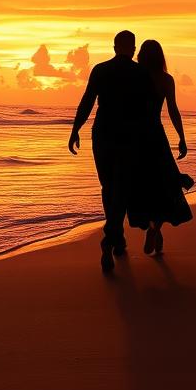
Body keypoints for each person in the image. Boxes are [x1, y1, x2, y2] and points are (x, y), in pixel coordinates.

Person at [69, 30, 154, 272]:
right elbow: (148, 110)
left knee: (108, 187)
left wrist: (75, 130)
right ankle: (111, 237)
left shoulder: (100, 69)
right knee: (123, 188)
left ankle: (115, 238)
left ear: (115, 47)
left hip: (103, 134)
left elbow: (87, 101)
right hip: (130, 137)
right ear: (133, 49)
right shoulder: (141, 73)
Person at [126, 39, 193, 255]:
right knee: (165, 186)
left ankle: (151, 227)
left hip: (136, 138)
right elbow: (173, 110)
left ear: (141, 55)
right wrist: (182, 137)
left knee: (142, 186)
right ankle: (156, 228)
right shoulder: (166, 80)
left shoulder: (135, 76)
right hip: (156, 137)